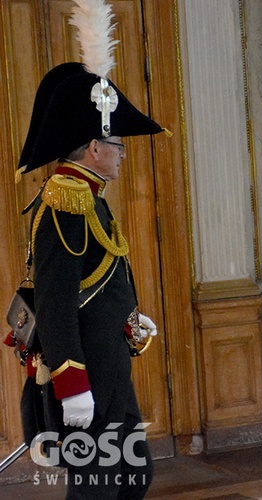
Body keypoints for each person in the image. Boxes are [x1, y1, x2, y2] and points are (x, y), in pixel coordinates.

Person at [6, 3, 164, 495]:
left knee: (132, 478)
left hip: (109, 365)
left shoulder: (86, 198)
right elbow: (54, 301)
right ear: (95, 147)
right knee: (97, 487)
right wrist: (72, 385)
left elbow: (96, 281)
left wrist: (129, 317)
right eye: (118, 144)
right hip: (88, 377)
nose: (121, 154)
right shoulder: (66, 204)